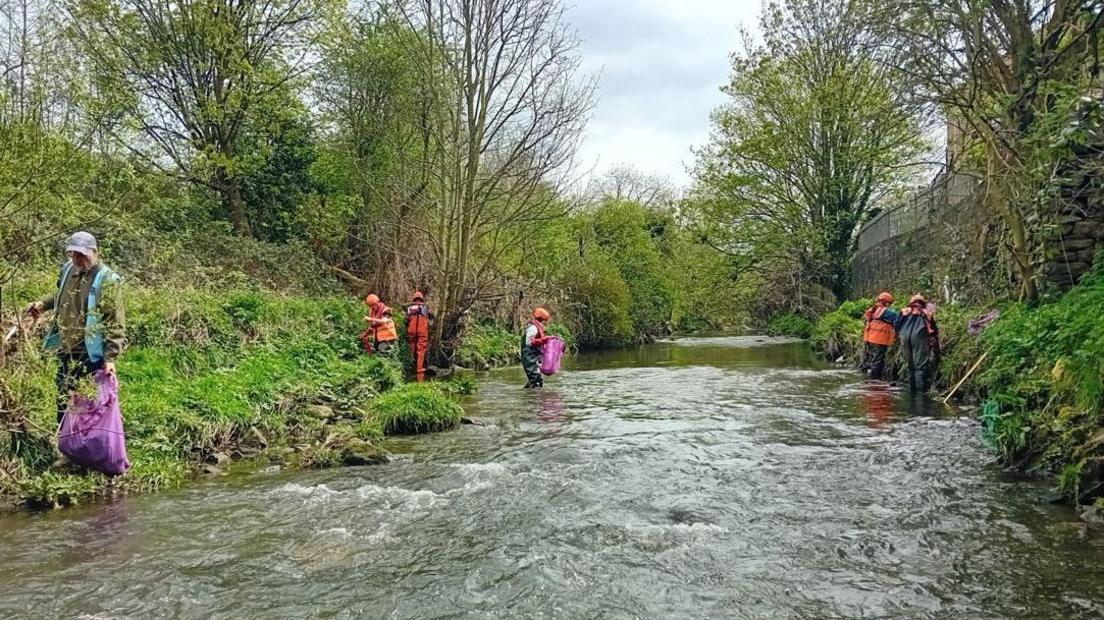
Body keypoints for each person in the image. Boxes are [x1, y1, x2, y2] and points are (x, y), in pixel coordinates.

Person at [26, 231, 126, 425]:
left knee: (87, 399)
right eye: (73, 254)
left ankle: (87, 444)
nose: (77, 259)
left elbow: (116, 321)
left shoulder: (107, 281)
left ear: (95, 252)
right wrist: (43, 304)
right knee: (63, 392)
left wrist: (110, 357)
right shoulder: (68, 270)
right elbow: (61, 295)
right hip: (67, 346)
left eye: (82, 255)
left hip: (91, 351)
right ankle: (64, 440)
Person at [895, 294, 940, 393]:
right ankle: (920, 394)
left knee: (910, 366)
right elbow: (935, 331)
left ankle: (912, 392)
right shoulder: (927, 312)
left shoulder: (904, 311)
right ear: (923, 303)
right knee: (919, 367)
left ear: (911, 303)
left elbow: (896, 326)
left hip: (905, 339)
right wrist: (936, 349)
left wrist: (900, 337)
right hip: (920, 338)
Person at [860, 292, 898, 380]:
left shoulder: (873, 310)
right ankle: (875, 381)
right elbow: (898, 318)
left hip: (870, 339)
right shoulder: (886, 311)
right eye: (889, 303)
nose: (889, 305)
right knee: (877, 361)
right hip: (879, 340)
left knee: (872, 359)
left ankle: (868, 378)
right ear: (885, 301)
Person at [521, 307, 551, 389]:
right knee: (536, 381)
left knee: (536, 379)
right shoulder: (533, 327)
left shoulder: (537, 326)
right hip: (529, 356)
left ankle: (528, 394)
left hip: (534, 357)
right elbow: (529, 342)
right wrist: (544, 340)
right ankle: (534, 399)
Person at [405, 291, 432, 380]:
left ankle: (410, 365)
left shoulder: (410, 308)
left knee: (412, 347)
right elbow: (429, 319)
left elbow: (406, 321)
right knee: (421, 349)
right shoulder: (425, 308)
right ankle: (419, 368)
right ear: (422, 299)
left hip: (411, 330)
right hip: (422, 330)